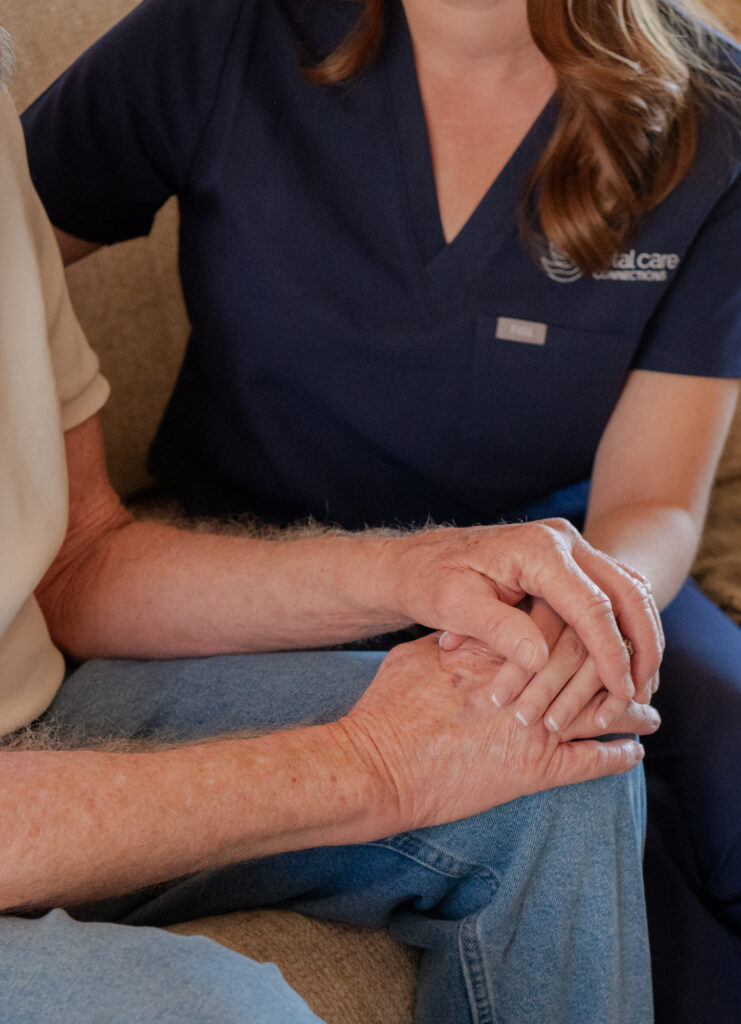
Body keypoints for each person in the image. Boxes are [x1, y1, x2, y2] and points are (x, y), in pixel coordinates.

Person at [17, 0, 741, 1019]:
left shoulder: (715, 114)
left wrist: (579, 613)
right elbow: (23, 248)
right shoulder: (226, 31)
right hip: (252, 565)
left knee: (651, 766)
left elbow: (658, 495)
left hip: (551, 565)